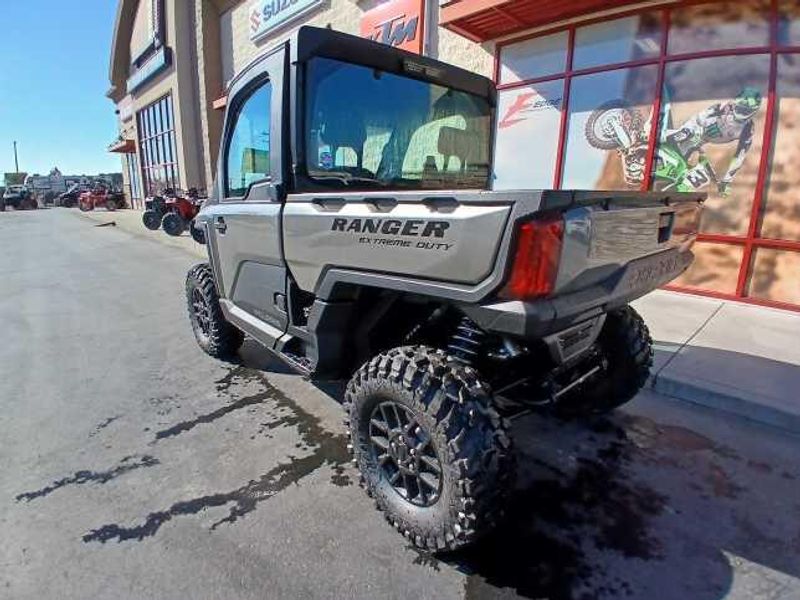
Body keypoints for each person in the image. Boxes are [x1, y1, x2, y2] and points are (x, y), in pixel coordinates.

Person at [662, 87, 762, 196]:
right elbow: (697, 119)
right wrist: (689, 130)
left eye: (745, 110)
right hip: (693, 133)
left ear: (753, 111)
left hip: (704, 145)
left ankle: (675, 191)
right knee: (678, 143)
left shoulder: (748, 129)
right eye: (740, 108)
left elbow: (739, 157)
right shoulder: (721, 108)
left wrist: (726, 181)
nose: (741, 112)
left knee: (700, 175)